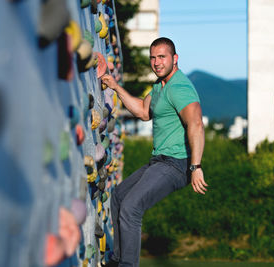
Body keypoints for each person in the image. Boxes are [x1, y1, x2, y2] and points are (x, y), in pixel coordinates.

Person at [101, 37, 208, 267]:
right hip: (159, 161)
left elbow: (196, 124)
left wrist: (195, 167)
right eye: (153, 57)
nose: (157, 62)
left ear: (174, 59)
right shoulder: (160, 87)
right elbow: (142, 111)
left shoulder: (179, 86)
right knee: (119, 197)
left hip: (176, 164)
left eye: (162, 57)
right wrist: (117, 88)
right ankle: (118, 260)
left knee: (132, 207)